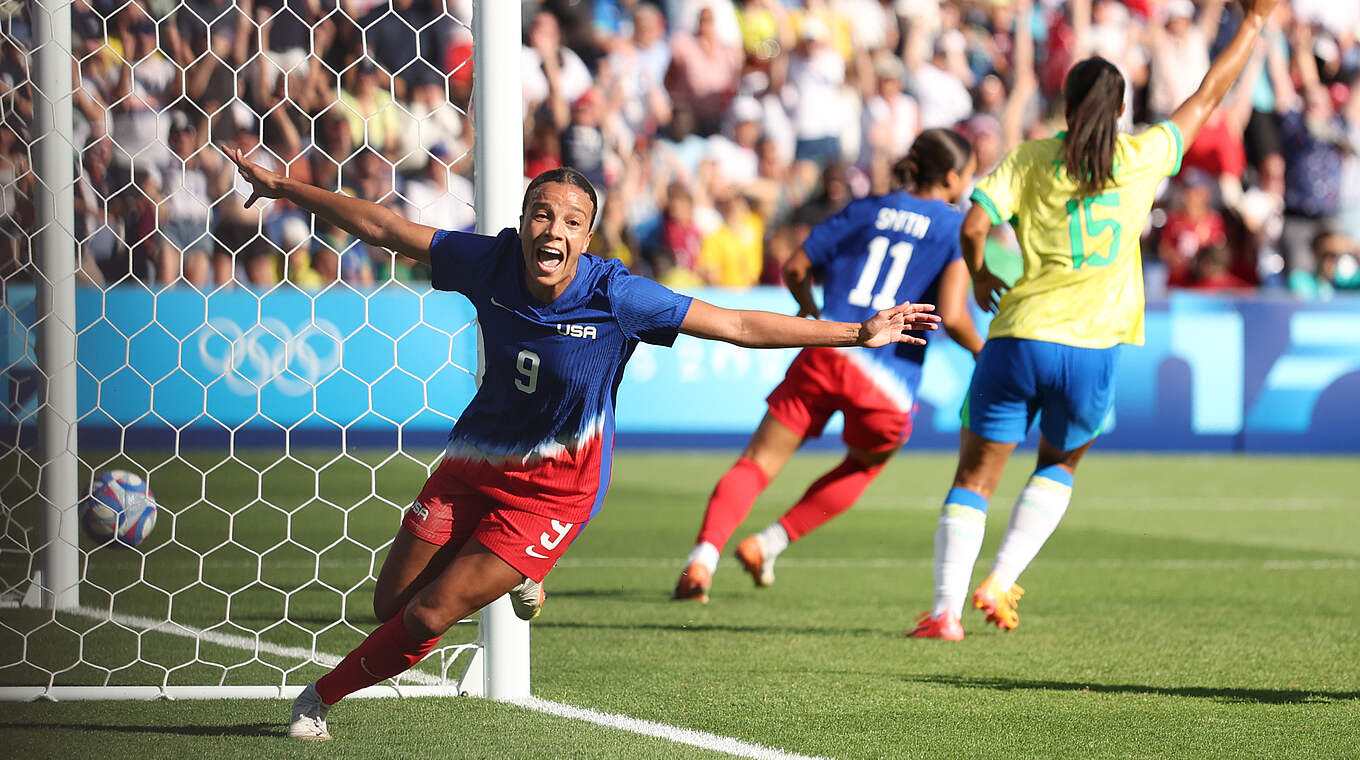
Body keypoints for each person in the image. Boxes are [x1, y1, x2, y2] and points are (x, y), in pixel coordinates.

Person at [221, 155, 941, 740]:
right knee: (391, 607)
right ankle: (519, 576)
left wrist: (856, 331)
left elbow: (739, 327)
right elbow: (386, 230)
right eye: (542, 214)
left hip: (554, 494)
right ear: (523, 221)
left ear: (587, 239)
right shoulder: (491, 263)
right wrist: (285, 188)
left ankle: (317, 699)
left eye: (571, 221)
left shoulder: (618, 296)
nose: (552, 230)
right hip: (473, 464)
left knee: (432, 614)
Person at [908, 0, 1281, 641]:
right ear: (1122, 109)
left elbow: (974, 224)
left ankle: (943, 613)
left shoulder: (1030, 158)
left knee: (975, 477)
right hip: (1094, 346)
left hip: (1020, 334)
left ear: (1067, 98)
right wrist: (1251, 24)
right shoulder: (1142, 157)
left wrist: (982, 271)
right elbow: (1209, 93)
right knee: (1058, 466)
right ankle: (1001, 579)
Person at [674, 129, 983, 603]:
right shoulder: (952, 227)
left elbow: (795, 267)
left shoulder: (866, 208)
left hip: (830, 348)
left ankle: (702, 559)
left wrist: (810, 312)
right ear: (951, 176)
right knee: (863, 466)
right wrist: (984, 353)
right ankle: (768, 543)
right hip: (890, 377)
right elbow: (955, 314)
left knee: (757, 463)